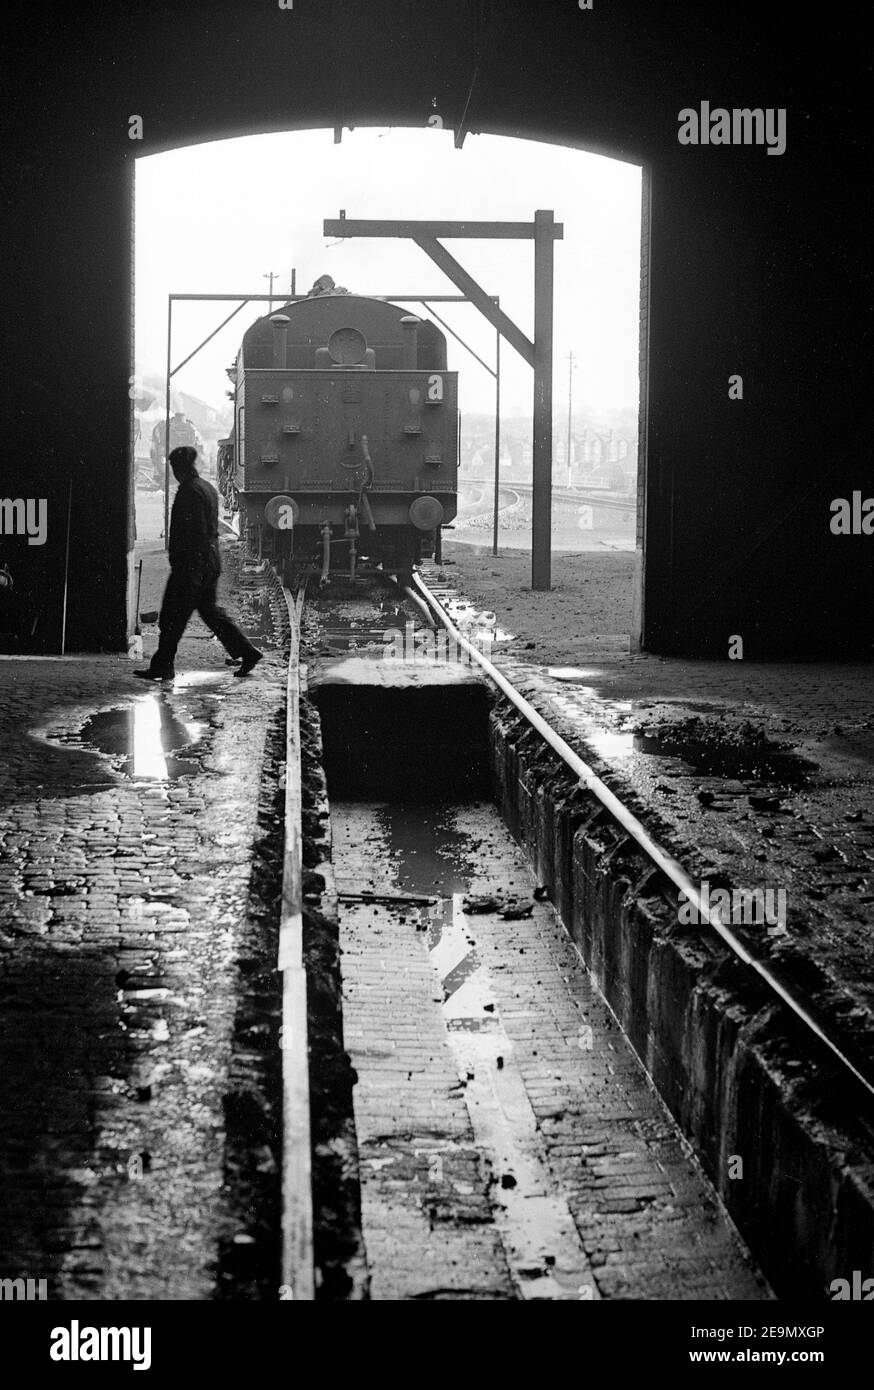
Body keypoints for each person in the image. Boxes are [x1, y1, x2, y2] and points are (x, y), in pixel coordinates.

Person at [135, 445, 262, 682]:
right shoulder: (206, 487)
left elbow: (193, 533)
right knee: (210, 613)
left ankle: (163, 666)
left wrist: (184, 566)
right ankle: (247, 652)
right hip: (209, 561)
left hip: (191, 565)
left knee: (172, 616)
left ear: (177, 468)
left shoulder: (189, 492)